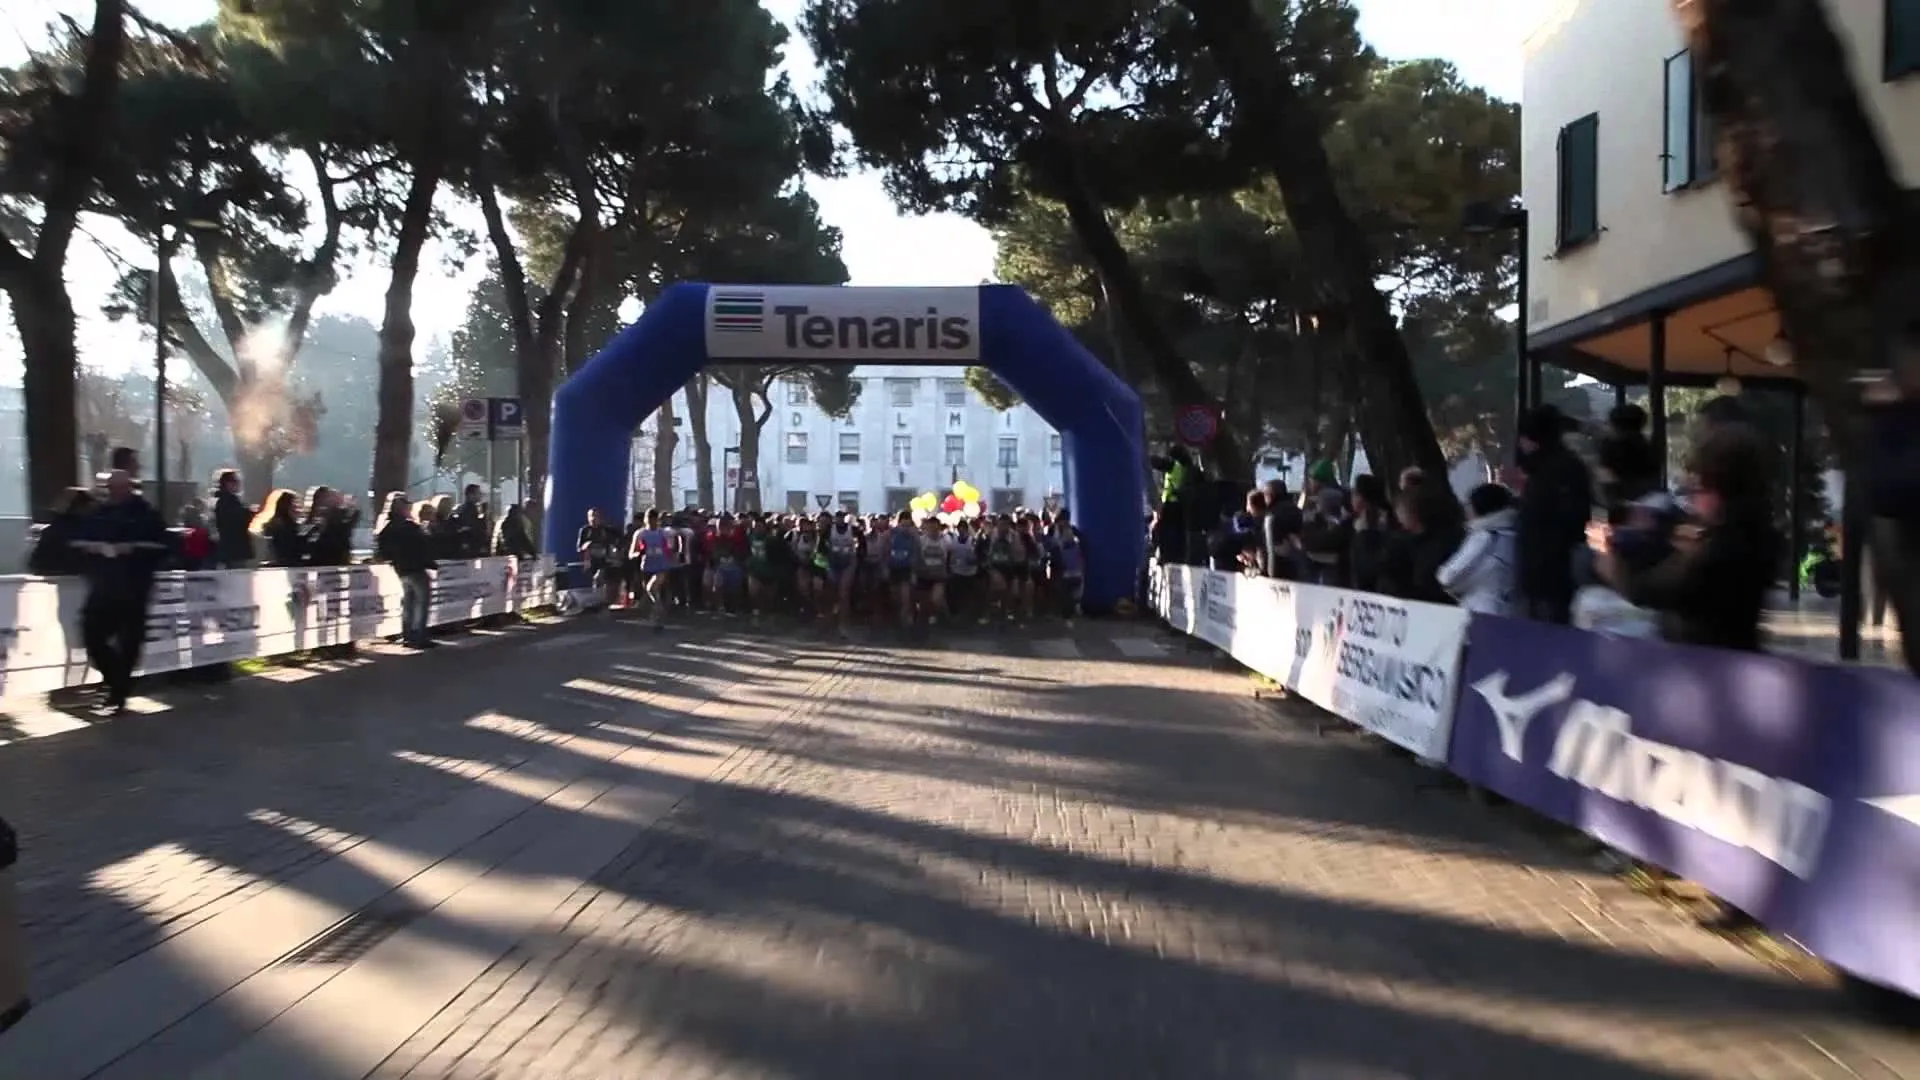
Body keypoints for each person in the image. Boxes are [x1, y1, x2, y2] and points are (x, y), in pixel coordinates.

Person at [76, 470, 169, 714]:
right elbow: (78, 541)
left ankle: (118, 694)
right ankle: (118, 681)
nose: (115, 492)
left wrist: (131, 549)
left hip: (134, 587)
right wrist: (92, 548)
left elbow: (162, 547)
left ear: (130, 487)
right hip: (105, 586)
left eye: (119, 487)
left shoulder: (146, 515)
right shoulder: (99, 514)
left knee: (129, 642)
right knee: (92, 636)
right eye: (111, 488)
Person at [1514, 404, 1594, 623]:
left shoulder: (1544, 472)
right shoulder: (1569, 466)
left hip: (1545, 570)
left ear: (1530, 438)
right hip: (1558, 570)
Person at [1437, 483, 1520, 614]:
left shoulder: (1484, 537)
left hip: (1481, 610)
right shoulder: (1514, 535)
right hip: (1512, 610)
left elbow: (1448, 577)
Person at [375, 493, 438, 648]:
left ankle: (407, 634)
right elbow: (423, 545)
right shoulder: (409, 527)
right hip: (415, 568)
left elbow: (382, 550)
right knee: (421, 603)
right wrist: (430, 562)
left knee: (407, 602)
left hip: (401, 569)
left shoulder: (386, 527)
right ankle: (419, 635)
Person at [210, 469, 254, 567]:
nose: (238, 484)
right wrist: (249, 513)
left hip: (232, 549)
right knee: (237, 576)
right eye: (235, 481)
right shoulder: (227, 502)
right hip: (234, 549)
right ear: (227, 483)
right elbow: (235, 522)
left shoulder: (226, 501)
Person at [449, 484, 491, 558]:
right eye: (478, 493)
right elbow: (473, 527)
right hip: (472, 547)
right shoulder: (468, 510)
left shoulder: (466, 509)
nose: (481, 495)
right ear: (471, 495)